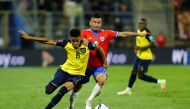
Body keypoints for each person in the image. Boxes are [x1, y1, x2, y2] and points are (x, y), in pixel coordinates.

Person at [67, 13, 147, 109]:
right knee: (77, 87)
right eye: (94, 22)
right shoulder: (84, 33)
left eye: (99, 22)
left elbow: (123, 34)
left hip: (99, 66)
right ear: (90, 23)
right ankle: (71, 105)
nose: (97, 24)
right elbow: (74, 39)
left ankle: (89, 101)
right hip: (84, 66)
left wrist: (139, 34)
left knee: (102, 80)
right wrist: (82, 39)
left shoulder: (107, 33)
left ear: (101, 23)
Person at [19, 29, 107, 109]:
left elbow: (99, 48)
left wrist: (104, 62)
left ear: (81, 38)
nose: (75, 43)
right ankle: (54, 80)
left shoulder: (88, 45)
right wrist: (29, 37)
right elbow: (47, 41)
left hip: (77, 75)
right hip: (63, 71)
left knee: (62, 91)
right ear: (70, 39)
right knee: (48, 90)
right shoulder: (66, 43)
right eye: (73, 41)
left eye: (77, 40)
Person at [117, 18, 166, 96]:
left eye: (142, 24)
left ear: (145, 25)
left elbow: (154, 44)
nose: (140, 25)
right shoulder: (138, 31)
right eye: (139, 23)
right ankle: (128, 90)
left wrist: (142, 48)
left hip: (145, 58)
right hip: (139, 56)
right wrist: (136, 47)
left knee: (140, 76)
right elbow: (138, 41)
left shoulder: (148, 34)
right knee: (133, 72)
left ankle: (160, 81)